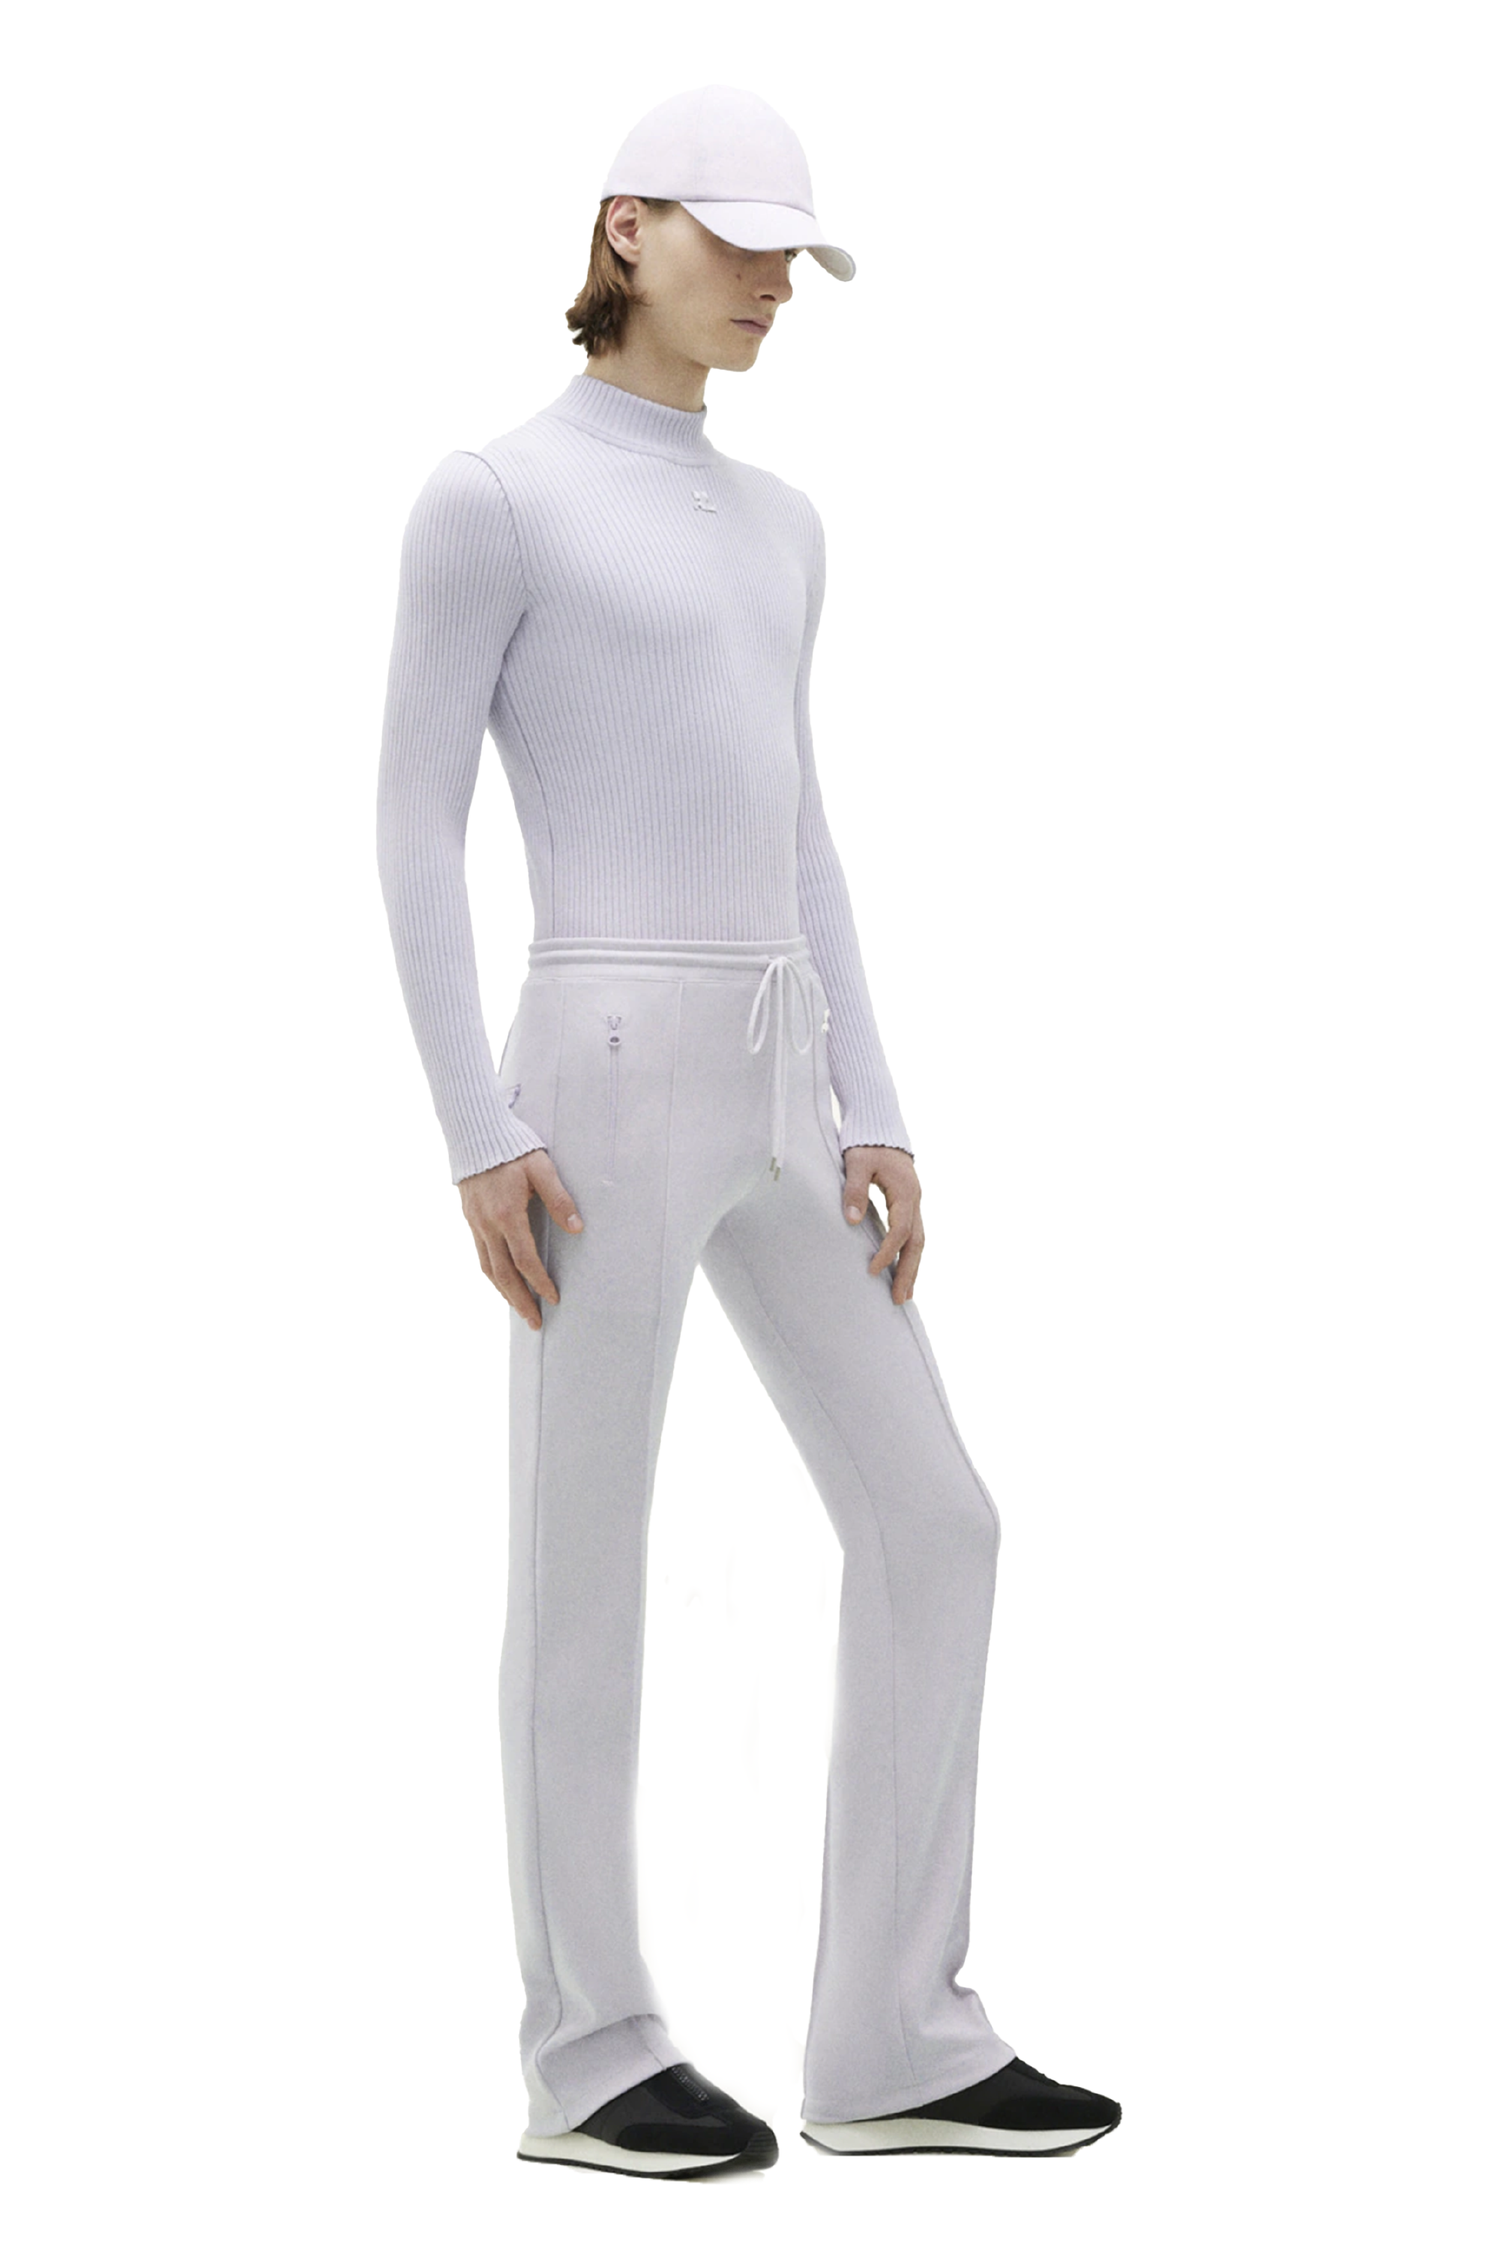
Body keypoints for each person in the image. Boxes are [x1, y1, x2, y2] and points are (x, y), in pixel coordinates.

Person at [376, 83, 1121, 2179]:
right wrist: (473, 1130)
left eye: (797, 249)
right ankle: (589, 2049)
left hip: (787, 1067)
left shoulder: (784, 523)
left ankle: (893, 2033)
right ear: (627, 229)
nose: (778, 278)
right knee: (584, 1561)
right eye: (740, 239)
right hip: (595, 1073)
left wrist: (878, 1100)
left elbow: (800, 826)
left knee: (939, 1519)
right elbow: (412, 824)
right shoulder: (492, 496)